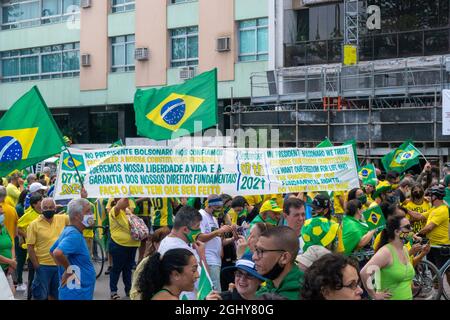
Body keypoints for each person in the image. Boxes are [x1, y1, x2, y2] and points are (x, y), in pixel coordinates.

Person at [50, 198, 96, 300]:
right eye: (88, 211)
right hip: (77, 293)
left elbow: (52, 251)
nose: (91, 214)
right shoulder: (74, 235)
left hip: (76, 291)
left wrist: (63, 269)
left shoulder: (69, 230)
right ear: (77, 216)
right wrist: (68, 270)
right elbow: (57, 253)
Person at [360, 215, 415, 300]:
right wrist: (374, 295)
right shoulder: (386, 252)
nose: (411, 229)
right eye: (407, 227)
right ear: (397, 232)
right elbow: (364, 272)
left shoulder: (403, 249)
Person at [27, 197, 69, 300]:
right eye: (45, 207)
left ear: (55, 208)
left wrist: (83, 197)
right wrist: (37, 266)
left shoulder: (63, 219)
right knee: (40, 295)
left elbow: (78, 215)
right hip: (43, 266)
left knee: (57, 295)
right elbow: (30, 247)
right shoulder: (34, 225)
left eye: (51, 207)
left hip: (60, 265)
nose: (48, 209)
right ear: (41, 210)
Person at [406, 185, 450, 282]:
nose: (429, 197)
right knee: (434, 271)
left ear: (435, 197)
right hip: (432, 245)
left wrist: (417, 234)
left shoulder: (442, 210)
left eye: (431, 195)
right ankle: (437, 291)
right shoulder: (434, 209)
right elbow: (419, 216)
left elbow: (429, 227)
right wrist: (405, 209)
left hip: (441, 246)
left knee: (447, 272)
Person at [253, 226, 304, 300]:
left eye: (261, 251)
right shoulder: (270, 284)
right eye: (256, 249)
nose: (254, 257)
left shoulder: (303, 294)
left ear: (284, 257)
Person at [197, 195, 234, 292]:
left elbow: (218, 240)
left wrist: (233, 238)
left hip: (216, 260)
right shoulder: (201, 215)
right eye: (217, 208)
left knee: (216, 291)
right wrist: (219, 231)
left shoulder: (214, 218)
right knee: (215, 292)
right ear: (209, 205)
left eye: (220, 208)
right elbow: (199, 237)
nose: (219, 210)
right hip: (208, 260)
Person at [108, 198, 141, 300]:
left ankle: (129, 289)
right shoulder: (115, 210)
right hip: (119, 245)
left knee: (127, 269)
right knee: (116, 269)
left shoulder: (127, 212)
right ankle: (113, 291)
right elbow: (117, 209)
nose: (128, 202)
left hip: (132, 245)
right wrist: (119, 205)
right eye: (125, 200)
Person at [130, 227, 171, 300]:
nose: (168, 245)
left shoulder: (174, 260)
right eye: (164, 242)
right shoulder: (146, 262)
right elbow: (134, 290)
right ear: (155, 244)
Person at [17, 194, 42, 299]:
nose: (43, 202)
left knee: (43, 278)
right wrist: (26, 236)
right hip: (32, 252)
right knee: (32, 277)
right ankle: (29, 296)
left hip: (44, 252)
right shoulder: (28, 215)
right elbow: (18, 226)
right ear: (34, 204)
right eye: (41, 201)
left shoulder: (46, 214)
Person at [0, 204, 16, 294]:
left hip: (7, 269)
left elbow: (12, 245)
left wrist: (11, 263)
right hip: (1, 270)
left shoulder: (4, 228)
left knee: (11, 293)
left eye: (3, 213)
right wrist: (11, 262)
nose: (2, 216)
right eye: (0, 214)